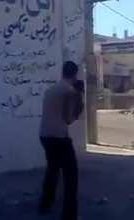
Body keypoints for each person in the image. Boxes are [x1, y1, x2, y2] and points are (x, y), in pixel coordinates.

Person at [38, 61, 84, 220]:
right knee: (71, 176)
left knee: (52, 169)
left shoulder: (51, 89)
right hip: (60, 137)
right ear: (75, 74)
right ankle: (69, 214)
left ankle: (45, 204)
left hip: (44, 135)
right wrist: (79, 99)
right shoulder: (70, 91)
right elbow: (69, 119)